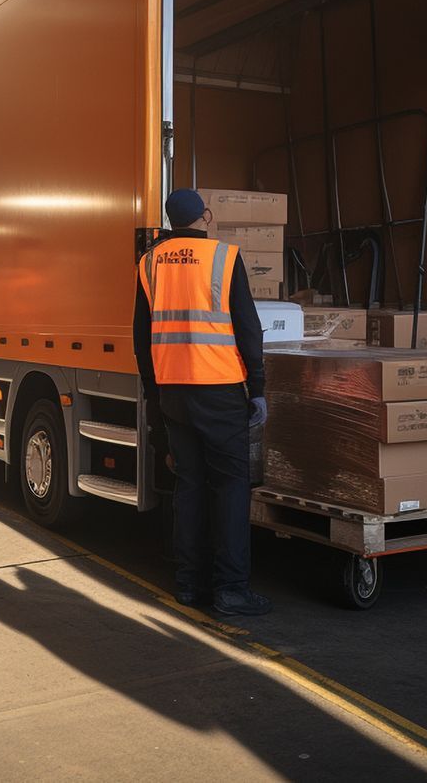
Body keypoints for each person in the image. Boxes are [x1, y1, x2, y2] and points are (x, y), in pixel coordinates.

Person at [134, 188, 270, 617]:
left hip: (174, 391)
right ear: (205, 216)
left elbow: (141, 338)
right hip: (220, 389)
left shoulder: (149, 263)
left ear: (171, 221)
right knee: (230, 487)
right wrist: (259, 386)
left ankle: (190, 584)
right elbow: (249, 327)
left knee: (188, 486)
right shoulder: (225, 258)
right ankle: (231, 589)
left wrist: (154, 394)